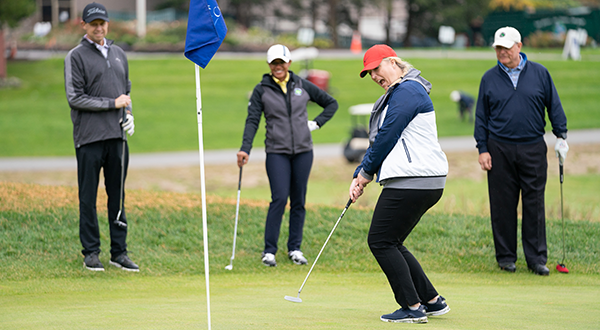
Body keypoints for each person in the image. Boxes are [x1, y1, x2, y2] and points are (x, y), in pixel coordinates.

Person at [349, 44, 450, 323]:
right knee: (392, 241)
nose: (374, 77)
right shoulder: (405, 91)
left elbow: (388, 134)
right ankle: (431, 300)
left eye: (376, 69)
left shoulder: (407, 90)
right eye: (369, 73)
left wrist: (366, 173)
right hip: (422, 179)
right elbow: (381, 140)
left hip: (412, 179)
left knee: (380, 241)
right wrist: (361, 172)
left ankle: (412, 307)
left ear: (392, 62)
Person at [474, 26, 568, 276]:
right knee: (502, 204)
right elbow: (481, 118)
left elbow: (554, 106)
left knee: (534, 203)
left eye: (506, 47)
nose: (502, 52)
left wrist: (561, 136)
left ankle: (536, 259)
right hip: (499, 148)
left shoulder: (540, 73)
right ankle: (506, 258)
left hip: (533, 147)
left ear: (519, 46)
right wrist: (482, 148)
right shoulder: (489, 78)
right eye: (498, 48)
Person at [237, 44, 338, 267]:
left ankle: (295, 248)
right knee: (280, 198)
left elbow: (331, 103)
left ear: (289, 64)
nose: (278, 67)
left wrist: (317, 123)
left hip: (303, 151)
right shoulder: (261, 90)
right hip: (276, 152)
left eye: (281, 62)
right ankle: (269, 251)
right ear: (269, 65)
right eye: (274, 63)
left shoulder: (302, 85)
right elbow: (252, 120)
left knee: (299, 201)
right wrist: (246, 148)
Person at [64, 2, 139, 272]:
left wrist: (128, 112)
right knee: (88, 198)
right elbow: (75, 98)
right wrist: (113, 104)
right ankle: (91, 252)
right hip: (89, 138)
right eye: (93, 23)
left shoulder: (119, 53)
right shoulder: (75, 56)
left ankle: (119, 252)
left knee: (117, 196)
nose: (99, 27)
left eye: (102, 23)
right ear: (84, 25)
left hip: (117, 138)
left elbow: (125, 91)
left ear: (108, 24)